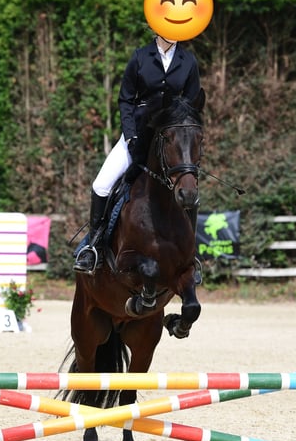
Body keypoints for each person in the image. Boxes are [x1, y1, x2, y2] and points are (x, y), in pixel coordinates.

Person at [73, 34, 202, 275]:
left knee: (190, 189)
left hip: (172, 141)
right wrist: (130, 136)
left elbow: (192, 106)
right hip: (137, 135)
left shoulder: (188, 61)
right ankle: (93, 247)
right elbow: (125, 100)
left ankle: (190, 255)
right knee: (101, 185)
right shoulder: (140, 57)